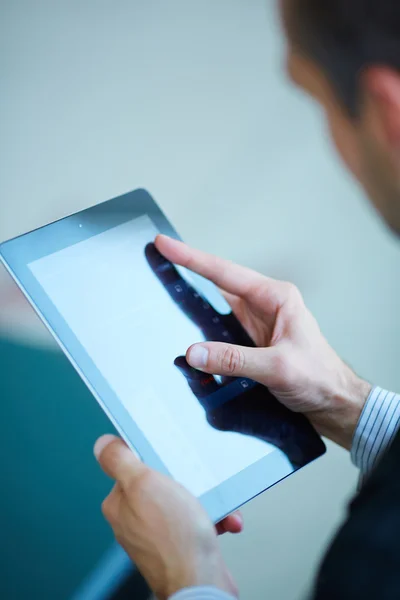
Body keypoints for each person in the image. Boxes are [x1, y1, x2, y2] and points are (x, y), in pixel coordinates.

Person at [93, 1, 400, 598]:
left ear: (388, 115)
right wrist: (345, 403)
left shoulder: (375, 561)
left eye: (320, 103)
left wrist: (188, 577)